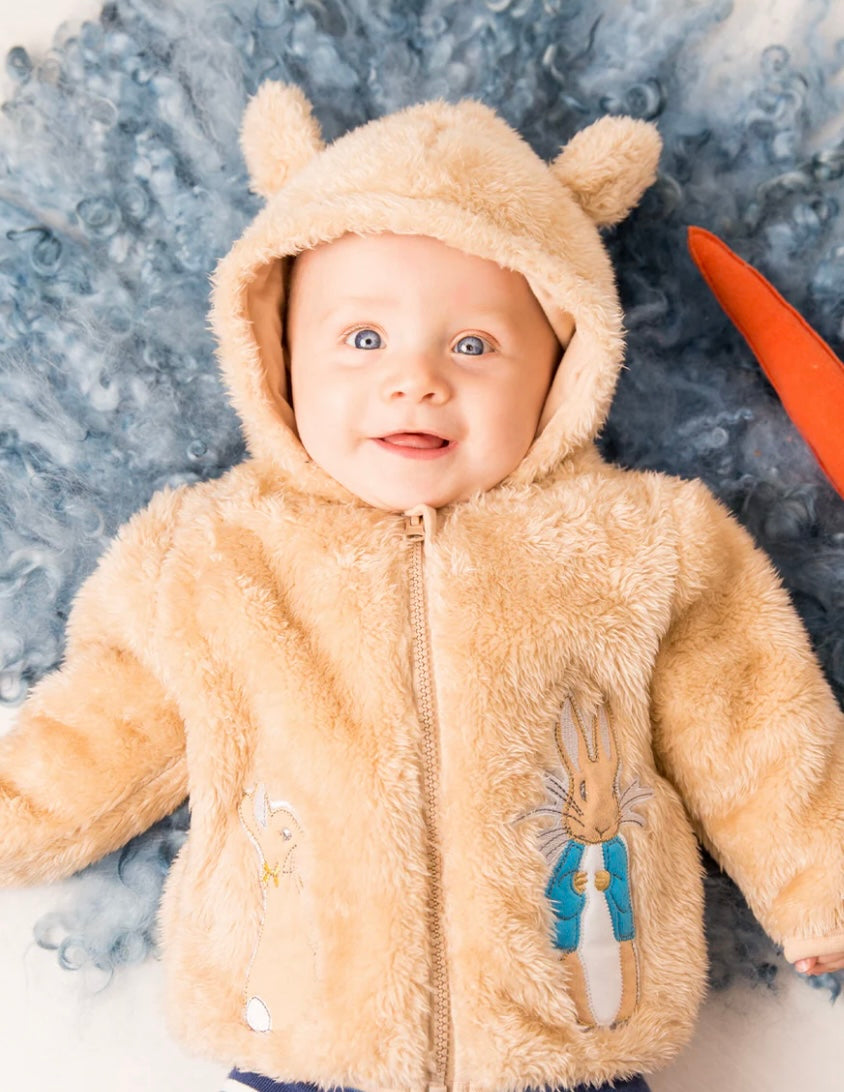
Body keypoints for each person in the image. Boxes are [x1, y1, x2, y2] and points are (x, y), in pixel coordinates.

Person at [1, 83, 843, 1092]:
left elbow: (750, 722)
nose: (416, 380)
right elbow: (105, 722)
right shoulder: (215, 554)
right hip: (301, 1034)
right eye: (362, 340)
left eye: (474, 345)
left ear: (565, 363)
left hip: (569, 1037)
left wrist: (820, 887)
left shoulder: (639, 544)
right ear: (276, 357)